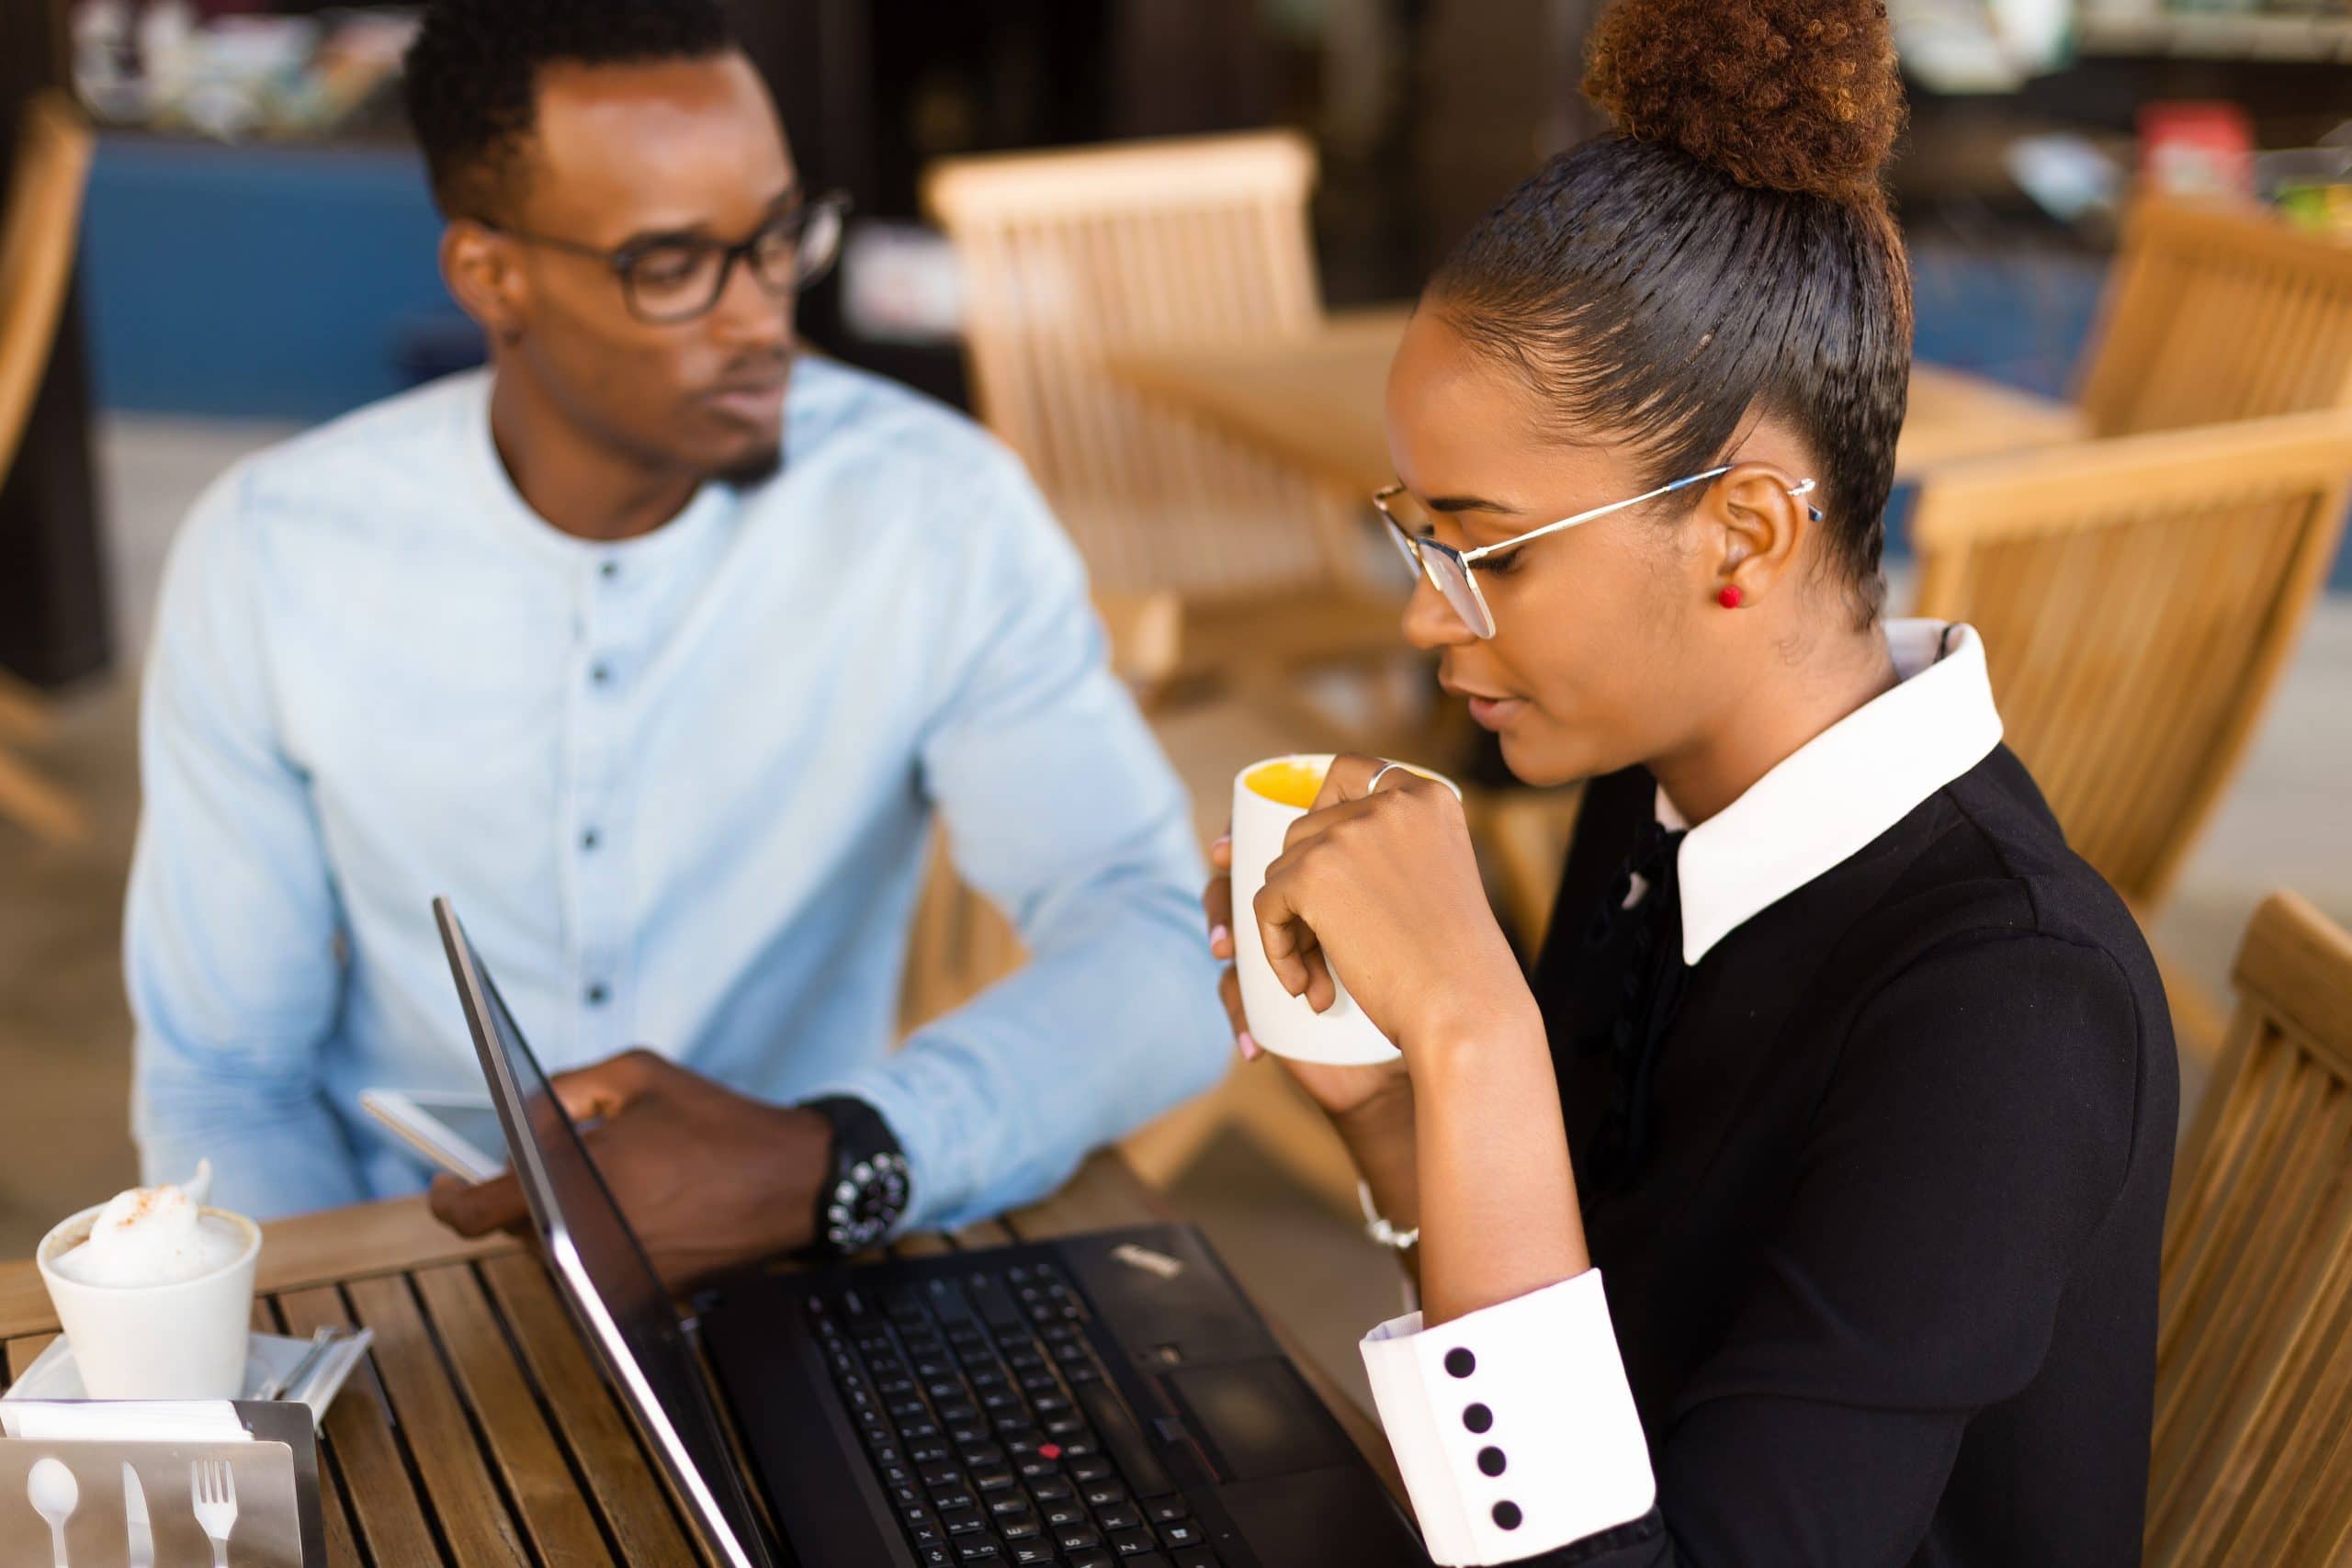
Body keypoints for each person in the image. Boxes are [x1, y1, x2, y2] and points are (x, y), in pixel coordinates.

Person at [1202, 1, 2177, 1562]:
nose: (1418, 613)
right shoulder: (1652, 794)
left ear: (1743, 535)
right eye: (1417, 539)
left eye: (1483, 550)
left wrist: (1476, 1033)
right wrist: (1400, 1117)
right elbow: (1594, 1391)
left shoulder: (2009, 1011)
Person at [125, 0, 1227, 1277]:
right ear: (493, 275)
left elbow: (1158, 940)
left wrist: (838, 1155)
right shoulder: (271, 553)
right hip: (412, 1256)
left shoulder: (935, 516)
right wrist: (337, 1358)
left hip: (800, 1246)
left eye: (773, 240)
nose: (759, 317)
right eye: (671, 265)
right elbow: (228, 1081)